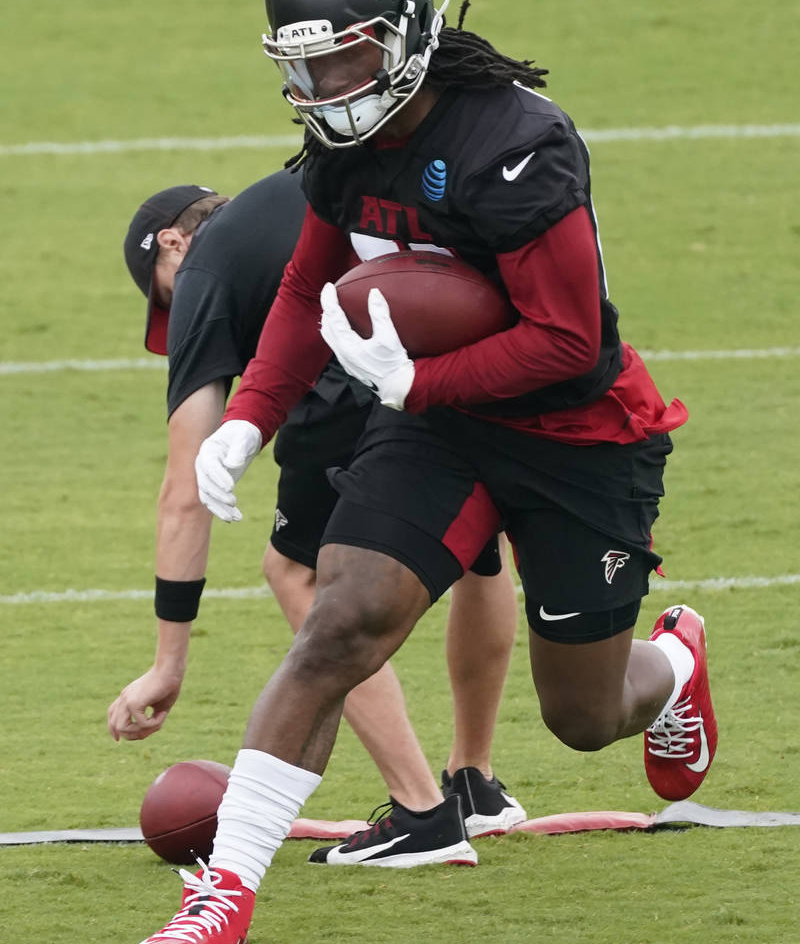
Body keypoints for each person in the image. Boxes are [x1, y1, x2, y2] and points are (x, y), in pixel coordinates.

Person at [128, 0, 717, 944]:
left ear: (401, 33)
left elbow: (567, 339)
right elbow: (310, 280)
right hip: (438, 427)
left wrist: (418, 376)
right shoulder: (340, 144)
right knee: (339, 622)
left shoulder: (515, 142)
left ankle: (670, 665)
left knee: (580, 716)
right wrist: (250, 419)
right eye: (304, 66)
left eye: (343, 55)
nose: (325, 87)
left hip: (573, 433)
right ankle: (223, 892)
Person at [107, 170, 526, 864]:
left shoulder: (206, 271)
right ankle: (475, 784)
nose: (174, 311)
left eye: (162, 294)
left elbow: (185, 489)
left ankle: (423, 814)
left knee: (296, 570)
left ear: (174, 244)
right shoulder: (312, 185)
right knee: (476, 548)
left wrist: (167, 663)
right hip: (457, 348)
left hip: (348, 376)